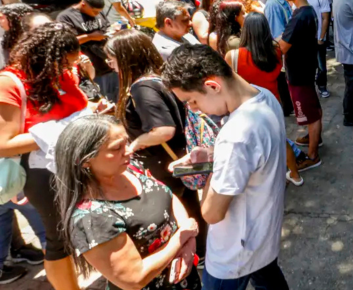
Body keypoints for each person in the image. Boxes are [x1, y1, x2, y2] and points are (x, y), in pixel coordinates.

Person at [162, 44, 290, 290]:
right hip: (261, 236)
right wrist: (212, 155)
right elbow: (257, 153)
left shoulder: (235, 134)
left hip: (233, 253)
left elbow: (211, 213)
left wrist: (215, 162)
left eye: (193, 101)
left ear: (212, 86)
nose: (193, 109)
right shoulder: (265, 97)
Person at [54, 116, 202, 290]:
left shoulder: (131, 167)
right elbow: (134, 279)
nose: (128, 151)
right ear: (85, 161)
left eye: (126, 142)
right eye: (116, 148)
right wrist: (183, 237)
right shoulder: (91, 218)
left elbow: (168, 196)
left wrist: (188, 244)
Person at [0, 22, 94, 290]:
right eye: (65, 63)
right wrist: (66, 130)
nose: (69, 69)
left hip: (76, 163)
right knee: (58, 238)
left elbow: (75, 106)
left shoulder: (60, 74)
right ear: (47, 56)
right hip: (41, 174)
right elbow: (4, 144)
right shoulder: (10, 83)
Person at [104, 29, 209, 264]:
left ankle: (189, 254)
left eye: (112, 58)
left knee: (176, 213)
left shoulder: (142, 88)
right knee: (190, 207)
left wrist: (136, 143)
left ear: (127, 57)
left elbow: (163, 130)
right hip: (178, 158)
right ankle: (201, 253)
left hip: (163, 164)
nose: (108, 63)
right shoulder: (158, 79)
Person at [223, 13, 308, 184]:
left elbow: (229, 85)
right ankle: (295, 175)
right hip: (272, 104)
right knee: (280, 141)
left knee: (253, 146)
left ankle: (261, 181)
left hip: (247, 108)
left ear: (245, 30)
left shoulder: (233, 56)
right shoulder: (275, 51)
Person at [278, 0, 322, 168]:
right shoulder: (307, 10)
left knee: (311, 115)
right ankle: (315, 139)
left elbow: (282, 46)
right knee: (312, 109)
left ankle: (313, 156)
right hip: (305, 68)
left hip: (300, 72)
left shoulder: (300, 16)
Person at [56, 0, 119, 102]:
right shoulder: (66, 17)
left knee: (115, 99)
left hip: (109, 65)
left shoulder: (99, 13)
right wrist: (90, 37)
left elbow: (106, 27)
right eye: (95, 11)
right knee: (98, 102)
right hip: (89, 72)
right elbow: (65, 42)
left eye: (99, 12)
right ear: (83, 4)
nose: (97, 14)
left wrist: (113, 31)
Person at [301, 0, 331, 99]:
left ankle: (322, 87)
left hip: (317, 38)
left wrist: (322, 36)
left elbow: (325, 18)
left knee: (321, 66)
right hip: (304, 39)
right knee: (307, 66)